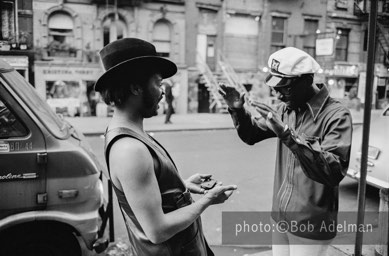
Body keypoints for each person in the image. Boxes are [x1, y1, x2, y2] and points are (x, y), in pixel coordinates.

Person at [94, 38, 237, 256]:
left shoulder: (129, 134)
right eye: (158, 83)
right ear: (135, 87)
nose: (163, 92)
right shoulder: (130, 150)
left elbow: (145, 196)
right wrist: (208, 200)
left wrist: (181, 187)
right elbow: (157, 230)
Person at [219, 47, 352, 256]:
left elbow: (332, 171)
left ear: (306, 80)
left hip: (311, 224)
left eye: (284, 88)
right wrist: (238, 110)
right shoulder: (285, 109)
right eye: (275, 88)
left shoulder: (336, 115)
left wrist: (288, 135)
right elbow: (252, 135)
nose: (278, 95)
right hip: (280, 217)